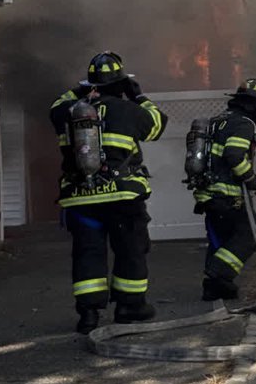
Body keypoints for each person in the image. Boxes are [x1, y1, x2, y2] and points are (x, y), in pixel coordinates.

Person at [49, 51, 168, 334]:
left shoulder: (68, 111)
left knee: (88, 253)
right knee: (130, 250)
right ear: (121, 85)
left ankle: (88, 314)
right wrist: (137, 95)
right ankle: (130, 306)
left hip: (81, 198)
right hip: (122, 197)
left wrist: (79, 89)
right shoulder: (128, 110)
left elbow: (55, 105)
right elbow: (158, 123)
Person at [187, 77, 256, 301]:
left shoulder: (219, 120)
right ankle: (218, 275)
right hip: (225, 195)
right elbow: (234, 155)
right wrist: (253, 181)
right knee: (250, 234)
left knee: (221, 239)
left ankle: (214, 288)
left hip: (208, 193)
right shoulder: (244, 123)